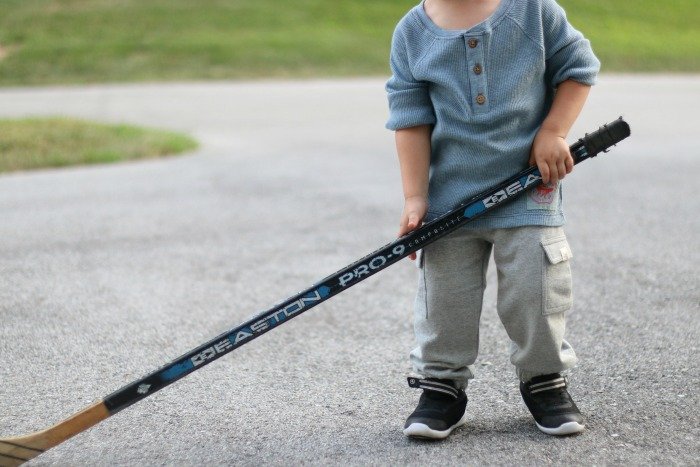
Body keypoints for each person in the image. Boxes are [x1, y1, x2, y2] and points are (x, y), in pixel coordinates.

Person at [385, 0, 600, 439]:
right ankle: (441, 386)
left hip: (528, 192)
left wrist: (553, 131)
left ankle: (544, 380)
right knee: (444, 300)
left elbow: (579, 68)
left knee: (536, 292)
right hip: (449, 207)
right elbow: (410, 119)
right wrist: (414, 197)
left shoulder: (535, 12)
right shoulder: (411, 32)